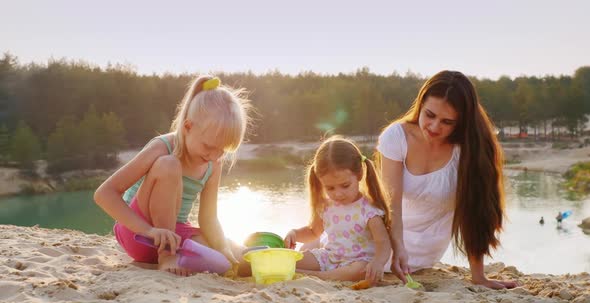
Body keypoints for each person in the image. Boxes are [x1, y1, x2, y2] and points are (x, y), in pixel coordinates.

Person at [94, 76, 251, 276]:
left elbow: (209, 218)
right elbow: (104, 194)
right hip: (139, 234)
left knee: (229, 253)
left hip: (177, 235)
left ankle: (251, 255)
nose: (214, 155)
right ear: (187, 127)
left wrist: (221, 248)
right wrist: (149, 231)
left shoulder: (213, 163)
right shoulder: (162, 147)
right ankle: (166, 257)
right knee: (169, 164)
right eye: (209, 147)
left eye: (223, 150)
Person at [377, 70, 517, 289]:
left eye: (447, 121)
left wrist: (479, 276)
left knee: (341, 258)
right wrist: (397, 246)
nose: (434, 127)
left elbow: (476, 213)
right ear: (420, 104)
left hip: (423, 247)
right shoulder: (396, 136)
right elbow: (389, 203)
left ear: (462, 122)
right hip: (385, 234)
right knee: (332, 247)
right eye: (430, 115)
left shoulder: (470, 151)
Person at [283, 137, 392, 284]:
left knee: (360, 271)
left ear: (359, 174)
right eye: (330, 188)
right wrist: (295, 234)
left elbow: (383, 243)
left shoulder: (369, 210)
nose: (338, 193)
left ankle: (308, 275)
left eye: (345, 185)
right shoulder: (326, 206)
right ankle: (298, 269)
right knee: (291, 259)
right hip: (329, 257)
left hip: (358, 262)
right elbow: (313, 232)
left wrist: (378, 262)